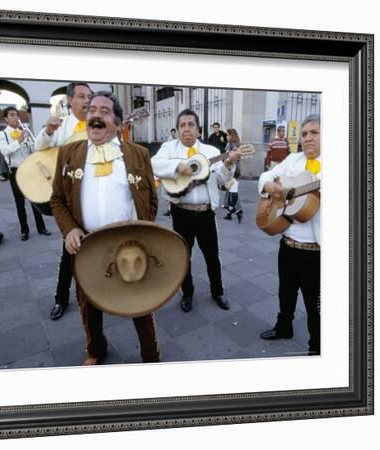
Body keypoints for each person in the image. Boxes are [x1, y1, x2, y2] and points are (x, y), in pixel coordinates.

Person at [50, 91, 160, 365]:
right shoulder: (68, 153)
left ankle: (151, 355)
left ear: (119, 122)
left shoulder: (138, 154)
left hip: (130, 244)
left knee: (141, 303)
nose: (96, 115)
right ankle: (96, 350)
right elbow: (57, 199)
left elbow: (152, 199)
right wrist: (70, 230)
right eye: (91, 110)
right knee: (89, 305)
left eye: (104, 111)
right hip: (87, 245)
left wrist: (144, 231)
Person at [152, 109, 242, 313]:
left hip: (206, 212)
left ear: (198, 130)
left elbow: (221, 179)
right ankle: (188, 293)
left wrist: (228, 164)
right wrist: (178, 166)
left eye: (190, 125)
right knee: (183, 255)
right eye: (182, 125)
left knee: (212, 255)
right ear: (177, 130)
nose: (186, 129)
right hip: (180, 211)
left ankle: (217, 291)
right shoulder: (168, 148)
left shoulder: (211, 152)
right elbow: (153, 164)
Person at [258, 114, 321, 356]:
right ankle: (284, 327)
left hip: (317, 252)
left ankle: (317, 350)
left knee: (316, 307)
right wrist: (271, 186)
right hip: (288, 243)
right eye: (304, 134)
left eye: (314, 132)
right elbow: (266, 176)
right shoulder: (293, 159)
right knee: (285, 292)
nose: (308, 138)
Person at [34, 82, 93, 321]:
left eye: (89, 96)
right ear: (71, 100)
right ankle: (61, 298)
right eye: (81, 96)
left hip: (92, 193)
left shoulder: (97, 122)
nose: (87, 100)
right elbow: (39, 147)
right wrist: (48, 131)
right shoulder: (63, 126)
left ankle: (101, 295)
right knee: (70, 249)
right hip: (69, 198)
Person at [0, 107, 51, 241]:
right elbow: (5, 151)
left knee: (35, 199)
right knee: (20, 202)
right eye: (12, 115)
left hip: (29, 170)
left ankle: (41, 227)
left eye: (17, 115)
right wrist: (19, 141)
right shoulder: (1, 135)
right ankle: (24, 230)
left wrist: (33, 145)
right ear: (6, 118)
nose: (16, 118)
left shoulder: (23, 132)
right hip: (15, 170)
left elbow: (32, 150)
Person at [223, 128, 243, 223]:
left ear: (231, 135)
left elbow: (232, 158)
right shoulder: (231, 144)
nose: (226, 137)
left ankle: (236, 211)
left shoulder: (235, 145)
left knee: (231, 191)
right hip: (232, 170)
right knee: (230, 190)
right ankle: (230, 212)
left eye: (227, 135)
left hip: (233, 171)